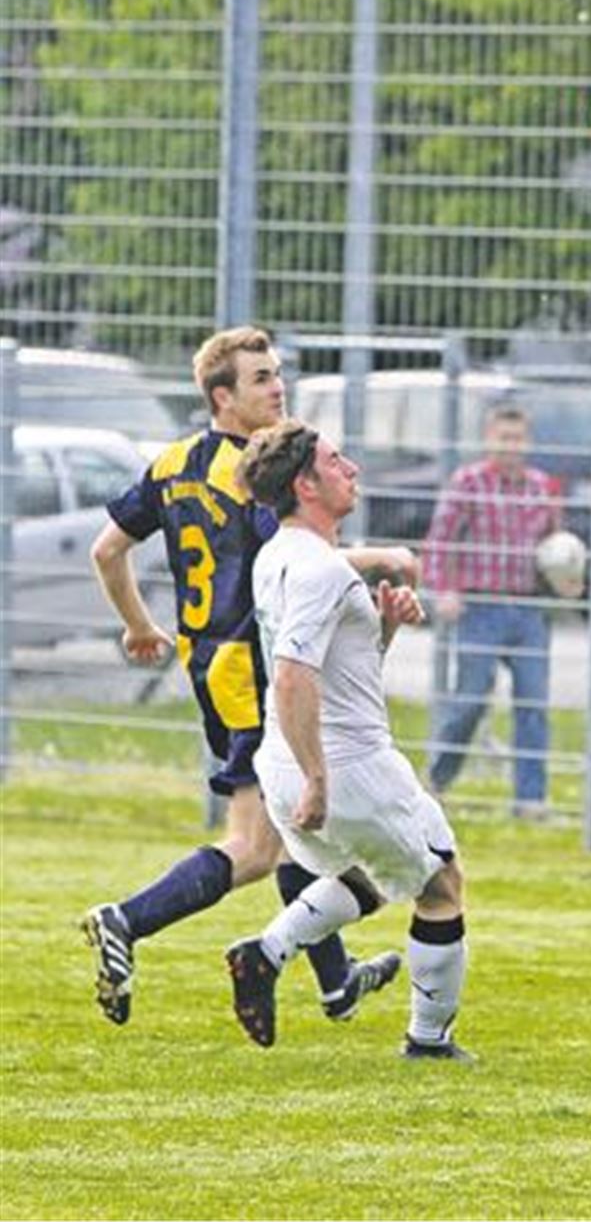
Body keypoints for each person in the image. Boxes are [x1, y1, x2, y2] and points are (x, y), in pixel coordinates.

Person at [83, 326, 409, 1025]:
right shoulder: (254, 475)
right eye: (260, 377)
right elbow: (306, 562)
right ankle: (126, 920)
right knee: (257, 845)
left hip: (209, 661)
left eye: (277, 373)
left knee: (293, 825)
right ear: (222, 396)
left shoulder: (171, 461)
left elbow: (108, 550)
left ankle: (336, 980)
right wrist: (382, 556)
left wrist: (141, 625)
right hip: (251, 667)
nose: (277, 386)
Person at [225, 420, 472, 1062]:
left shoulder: (278, 554)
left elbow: (332, 672)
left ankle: (267, 953)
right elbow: (291, 674)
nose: (353, 468)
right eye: (337, 462)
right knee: (440, 881)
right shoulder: (322, 572)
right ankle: (428, 1041)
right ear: (305, 484)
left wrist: (384, 627)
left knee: (372, 874)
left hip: (287, 759)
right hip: (345, 764)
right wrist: (319, 778)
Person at [421, 403, 562, 814]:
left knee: (533, 705)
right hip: (479, 609)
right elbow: (440, 541)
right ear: (488, 439)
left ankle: (530, 800)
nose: (510, 446)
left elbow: (555, 547)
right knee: (469, 701)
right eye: (502, 437)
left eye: (517, 438)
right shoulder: (468, 482)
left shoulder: (541, 488)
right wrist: (444, 589)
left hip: (528, 610)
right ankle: (436, 780)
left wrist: (565, 581)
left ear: (528, 441)